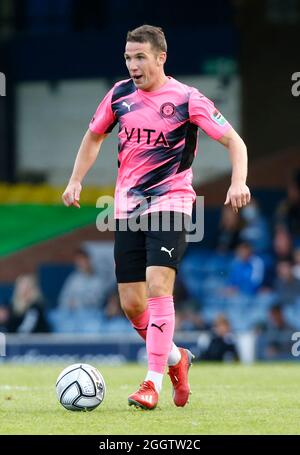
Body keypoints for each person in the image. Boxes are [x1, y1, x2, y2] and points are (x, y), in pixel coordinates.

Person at [62, 25, 251, 410]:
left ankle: (152, 383)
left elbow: (235, 141)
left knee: (158, 284)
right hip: (126, 207)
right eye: (128, 58)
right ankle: (176, 359)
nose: (133, 65)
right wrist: (75, 179)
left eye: (140, 57)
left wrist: (238, 182)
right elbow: (94, 136)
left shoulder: (187, 99)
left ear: (161, 57)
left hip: (171, 201)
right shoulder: (119, 95)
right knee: (132, 303)